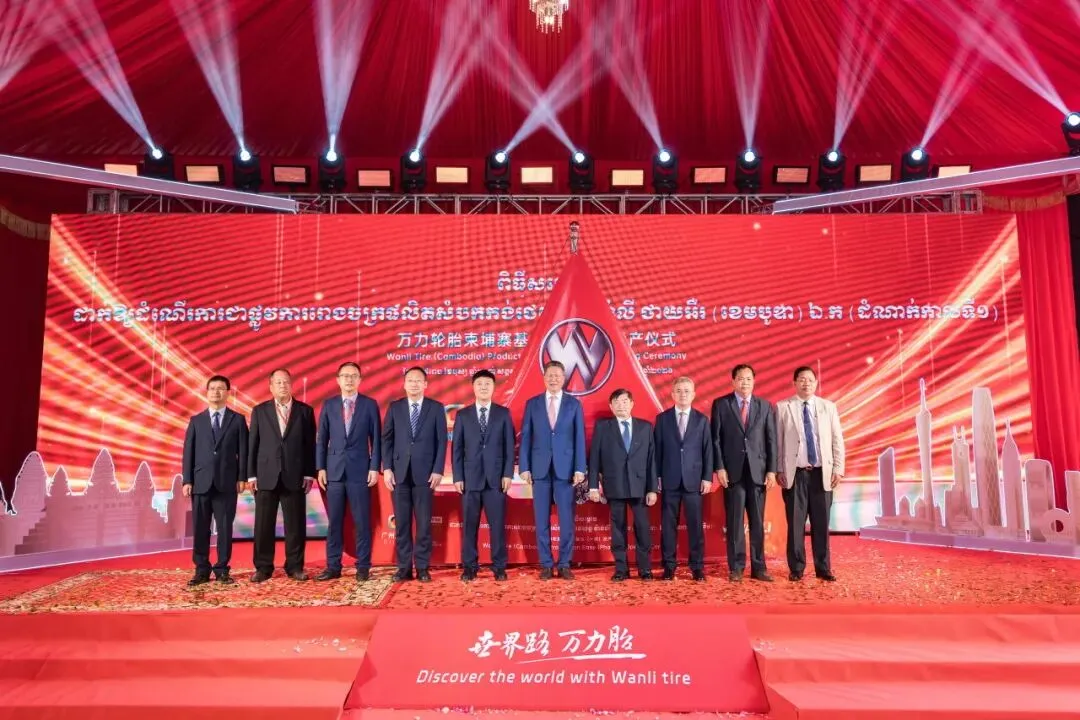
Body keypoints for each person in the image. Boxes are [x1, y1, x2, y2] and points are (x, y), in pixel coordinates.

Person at [247, 368, 317, 582]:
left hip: (294, 475)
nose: (282, 386)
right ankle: (263, 567)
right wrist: (251, 475)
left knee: (295, 525)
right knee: (263, 525)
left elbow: (310, 446)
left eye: (286, 382)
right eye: (278, 382)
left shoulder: (305, 411)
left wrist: (309, 473)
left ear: (291, 384)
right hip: (266, 475)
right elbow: (253, 445)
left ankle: (295, 566)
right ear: (271, 387)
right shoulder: (260, 411)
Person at [519, 361, 586, 580]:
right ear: (544, 378)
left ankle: (564, 563)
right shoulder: (533, 404)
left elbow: (579, 438)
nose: (554, 379)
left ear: (563, 378)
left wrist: (580, 467)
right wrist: (524, 467)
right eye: (550, 375)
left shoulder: (573, 404)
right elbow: (526, 437)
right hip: (539, 469)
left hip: (566, 470)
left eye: (557, 375)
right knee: (541, 520)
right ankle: (546, 564)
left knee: (566, 521)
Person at [776, 366, 844, 582]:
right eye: (801, 379)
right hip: (795, 475)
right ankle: (796, 568)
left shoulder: (828, 407)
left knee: (821, 524)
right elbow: (778, 441)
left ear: (816, 383)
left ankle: (823, 568)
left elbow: (837, 439)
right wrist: (779, 469)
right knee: (795, 525)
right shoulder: (783, 407)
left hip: (822, 474)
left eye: (810, 380)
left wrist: (838, 469)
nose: (806, 383)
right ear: (794, 383)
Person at [711, 363, 777, 582]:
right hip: (733, 473)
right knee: (735, 522)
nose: (745, 382)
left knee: (757, 522)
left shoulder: (764, 406)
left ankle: (759, 567)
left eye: (748, 379)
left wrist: (771, 470)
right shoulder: (721, 404)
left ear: (754, 381)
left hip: (758, 473)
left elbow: (771, 440)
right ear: (733, 381)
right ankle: (736, 567)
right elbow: (716, 439)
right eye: (740, 378)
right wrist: (719, 467)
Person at [315, 362, 381, 582]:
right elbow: (322, 439)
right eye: (345, 376)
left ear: (360, 380)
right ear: (338, 380)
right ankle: (333, 566)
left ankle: (363, 566)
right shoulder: (329, 405)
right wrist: (321, 467)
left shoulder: (370, 405)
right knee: (334, 522)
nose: (349, 380)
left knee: (362, 522)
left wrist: (374, 467)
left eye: (354, 376)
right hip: (334, 472)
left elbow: (376, 439)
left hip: (360, 471)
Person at [181, 375, 248, 586]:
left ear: (228, 393)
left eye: (220, 388)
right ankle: (201, 569)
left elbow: (244, 452)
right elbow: (188, 452)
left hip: (227, 483)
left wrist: (242, 477)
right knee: (200, 528)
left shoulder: (237, 420)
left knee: (225, 528)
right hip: (200, 482)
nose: (216, 392)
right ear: (207, 393)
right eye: (212, 388)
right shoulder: (196, 421)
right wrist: (187, 480)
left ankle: (222, 569)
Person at [382, 366, 447, 583]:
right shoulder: (395, 407)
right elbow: (386, 440)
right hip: (399, 474)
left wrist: (438, 469)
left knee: (424, 524)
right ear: (404, 384)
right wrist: (387, 468)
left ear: (426, 384)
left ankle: (422, 567)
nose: (414, 384)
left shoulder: (436, 408)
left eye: (418, 380)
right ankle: (403, 568)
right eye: (410, 380)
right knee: (401, 524)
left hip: (425, 474)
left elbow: (441, 441)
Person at [452, 370, 515, 582]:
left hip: (496, 480)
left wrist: (507, 474)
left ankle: (499, 566)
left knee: (497, 526)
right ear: (473, 387)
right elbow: (457, 449)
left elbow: (509, 447)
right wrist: (458, 477)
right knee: (469, 527)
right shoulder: (463, 415)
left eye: (487, 384)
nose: (483, 387)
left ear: (493, 387)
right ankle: (470, 566)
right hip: (470, 479)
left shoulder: (503, 414)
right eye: (479, 384)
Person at [589, 389, 658, 582]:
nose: (621, 405)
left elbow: (651, 460)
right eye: (617, 402)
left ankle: (645, 569)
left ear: (632, 403)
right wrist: (593, 486)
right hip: (614, 485)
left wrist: (652, 488)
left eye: (625, 401)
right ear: (611, 406)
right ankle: (621, 569)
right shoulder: (603, 427)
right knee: (617, 529)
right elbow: (594, 458)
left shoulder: (645, 427)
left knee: (642, 528)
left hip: (640, 486)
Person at [653, 376, 713, 581]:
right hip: (669, 480)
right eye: (678, 390)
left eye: (687, 391)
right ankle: (669, 566)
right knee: (668, 526)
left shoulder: (702, 420)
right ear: (672, 394)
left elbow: (708, 451)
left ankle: (697, 567)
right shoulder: (662, 419)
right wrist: (657, 477)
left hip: (694, 481)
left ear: (694, 394)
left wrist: (707, 477)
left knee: (695, 526)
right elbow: (657, 451)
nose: (683, 394)